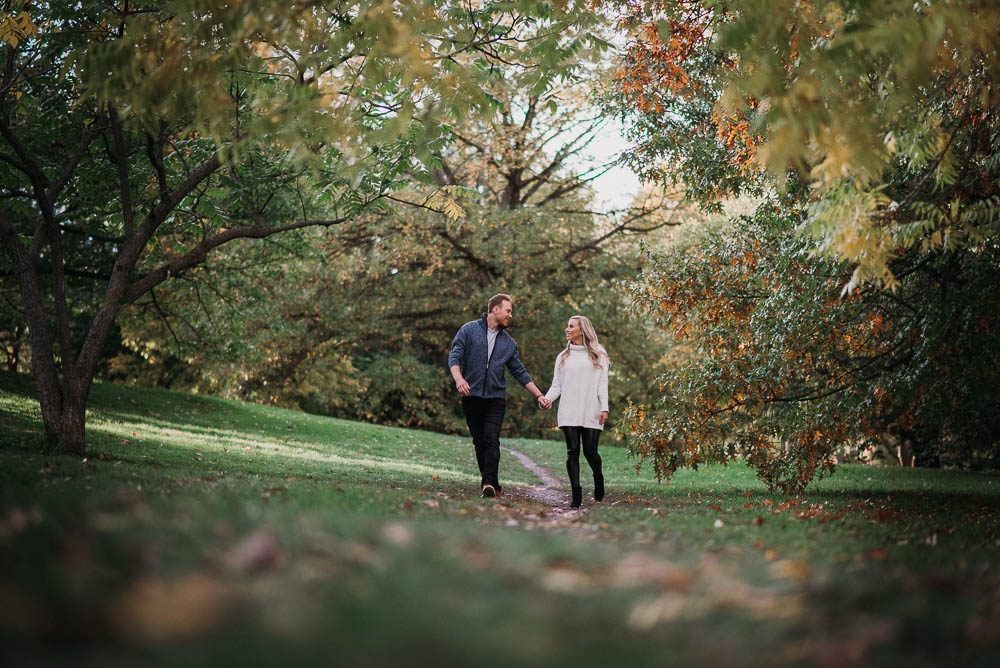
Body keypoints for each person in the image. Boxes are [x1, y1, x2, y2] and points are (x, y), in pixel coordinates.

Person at [449, 294, 549, 498]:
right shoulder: (468, 330)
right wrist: (459, 379)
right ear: (495, 309)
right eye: (508, 311)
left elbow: (519, 372)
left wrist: (539, 395)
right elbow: (455, 356)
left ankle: (487, 483)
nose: (510, 315)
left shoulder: (508, 343)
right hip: (471, 396)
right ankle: (491, 482)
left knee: (492, 439)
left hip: (495, 398)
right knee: (479, 441)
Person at [541, 315, 609, 509]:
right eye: (567, 326)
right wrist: (547, 398)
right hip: (568, 410)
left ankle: (598, 477)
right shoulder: (563, 356)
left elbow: (602, 384)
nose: (567, 329)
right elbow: (557, 385)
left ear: (582, 330)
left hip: (591, 409)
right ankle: (576, 496)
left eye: (571, 326)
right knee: (572, 452)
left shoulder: (598, 353)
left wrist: (604, 407)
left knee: (590, 452)